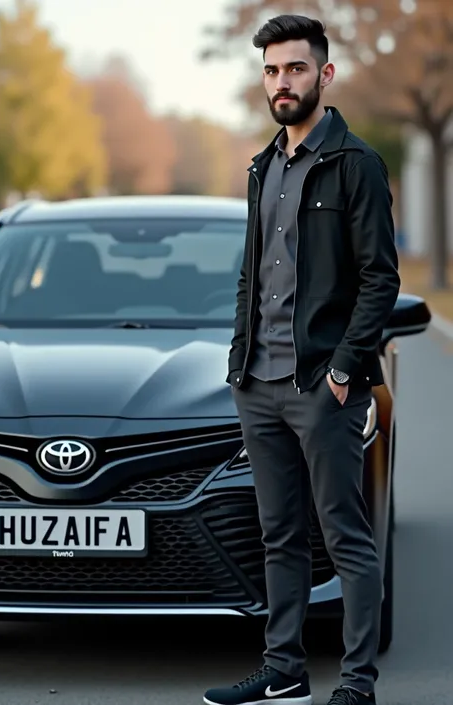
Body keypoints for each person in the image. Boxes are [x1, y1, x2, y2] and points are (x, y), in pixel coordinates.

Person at [203, 13, 400, 705]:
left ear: (325, 73)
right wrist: (239, 363)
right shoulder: (263, 167)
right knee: (279, 534)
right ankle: (283, 669)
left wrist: (345, 369)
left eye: (294, 68)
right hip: (258, 384)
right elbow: (250, 276)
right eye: (271, 70)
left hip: (322, 385)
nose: (282, 82)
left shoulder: (357, 165)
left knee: (345, 535)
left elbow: (382, 279)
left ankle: (356, 682)